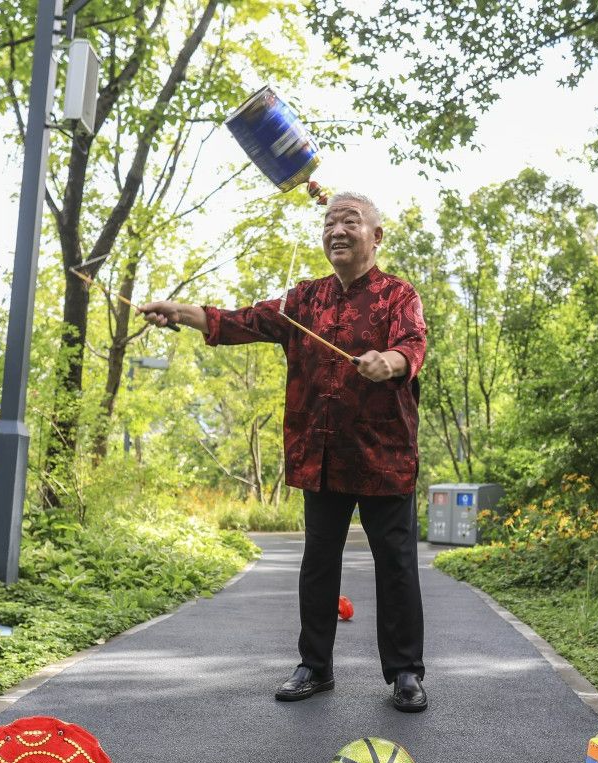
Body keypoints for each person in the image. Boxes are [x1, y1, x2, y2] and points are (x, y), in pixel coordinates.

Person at [138, 191, 429, 712]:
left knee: (397, 566)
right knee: (318, 564)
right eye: (329, 223)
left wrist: (390, 361)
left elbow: (413, 345)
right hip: (320, 456)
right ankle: (315, 667)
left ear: (376, 236)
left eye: (350, 221)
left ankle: (405, 673)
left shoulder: (398, 295)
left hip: (385, 455)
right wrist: (180, 312)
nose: (337, 231)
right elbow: (240, 322)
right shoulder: (303, 301)